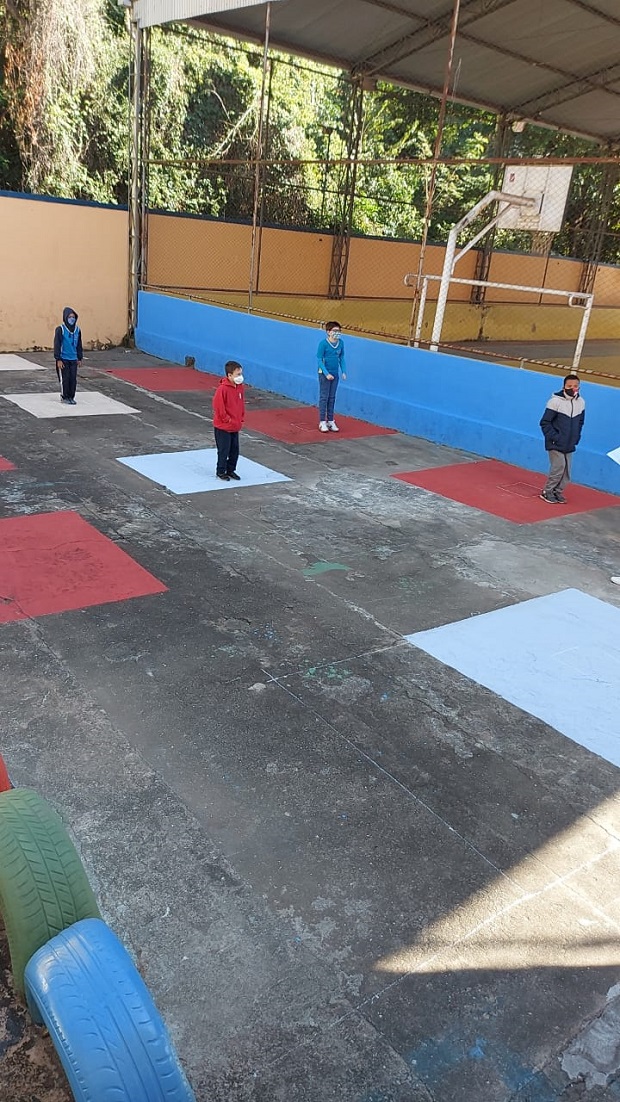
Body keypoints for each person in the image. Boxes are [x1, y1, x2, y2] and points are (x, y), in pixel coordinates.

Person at [539, 373, 585, 503]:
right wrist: (554, 437)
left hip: (570, 443)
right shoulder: (555, 402)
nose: (573, 388)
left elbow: (580, 422)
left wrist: (576, 437)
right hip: (555, 442)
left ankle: (557, 492)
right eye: (569, 386)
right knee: (558, 467)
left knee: (566, 471)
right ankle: (547, 491)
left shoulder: (581, 403)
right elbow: (545, 422)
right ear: (564, 387)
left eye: (576, 386)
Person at [212, 360, 245, 481]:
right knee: (224, 450)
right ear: (229, 375)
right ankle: (221, 471)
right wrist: (227, 419)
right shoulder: (222, 389)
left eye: (241, 374)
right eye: (237, 374)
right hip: (223, 427)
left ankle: (231, 470)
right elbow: (218, 406)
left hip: (235, 425)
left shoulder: (240, 388)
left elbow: (241, 404)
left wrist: (241, 417)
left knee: (234, 450)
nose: (240, 377)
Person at [316, 320, 346, 432]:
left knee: (332, 397)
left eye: (339, 331)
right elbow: (319, 359)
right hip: (324, 374)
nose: (337, 333)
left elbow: (342, 358)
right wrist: (326, 373)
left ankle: (331, 420)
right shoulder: (323, 344)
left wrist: (343, 371)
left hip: (335, 373)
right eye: (335, 331)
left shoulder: (341, 343)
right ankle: (322, 421)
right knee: (324, 397)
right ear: (328, 332)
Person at [53, 307, 83, 405]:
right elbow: (57, 344)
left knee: (73, 379)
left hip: (73, 359)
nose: (71, 319)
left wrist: (79, 357)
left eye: (73, 317)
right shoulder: (60, 330)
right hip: (63, 359)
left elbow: (79, 344)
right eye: (69, 317)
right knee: (65, 379)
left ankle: (71, 396)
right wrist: (58, 359)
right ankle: (64, 396)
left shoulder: (77, 330)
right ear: (65, 318)